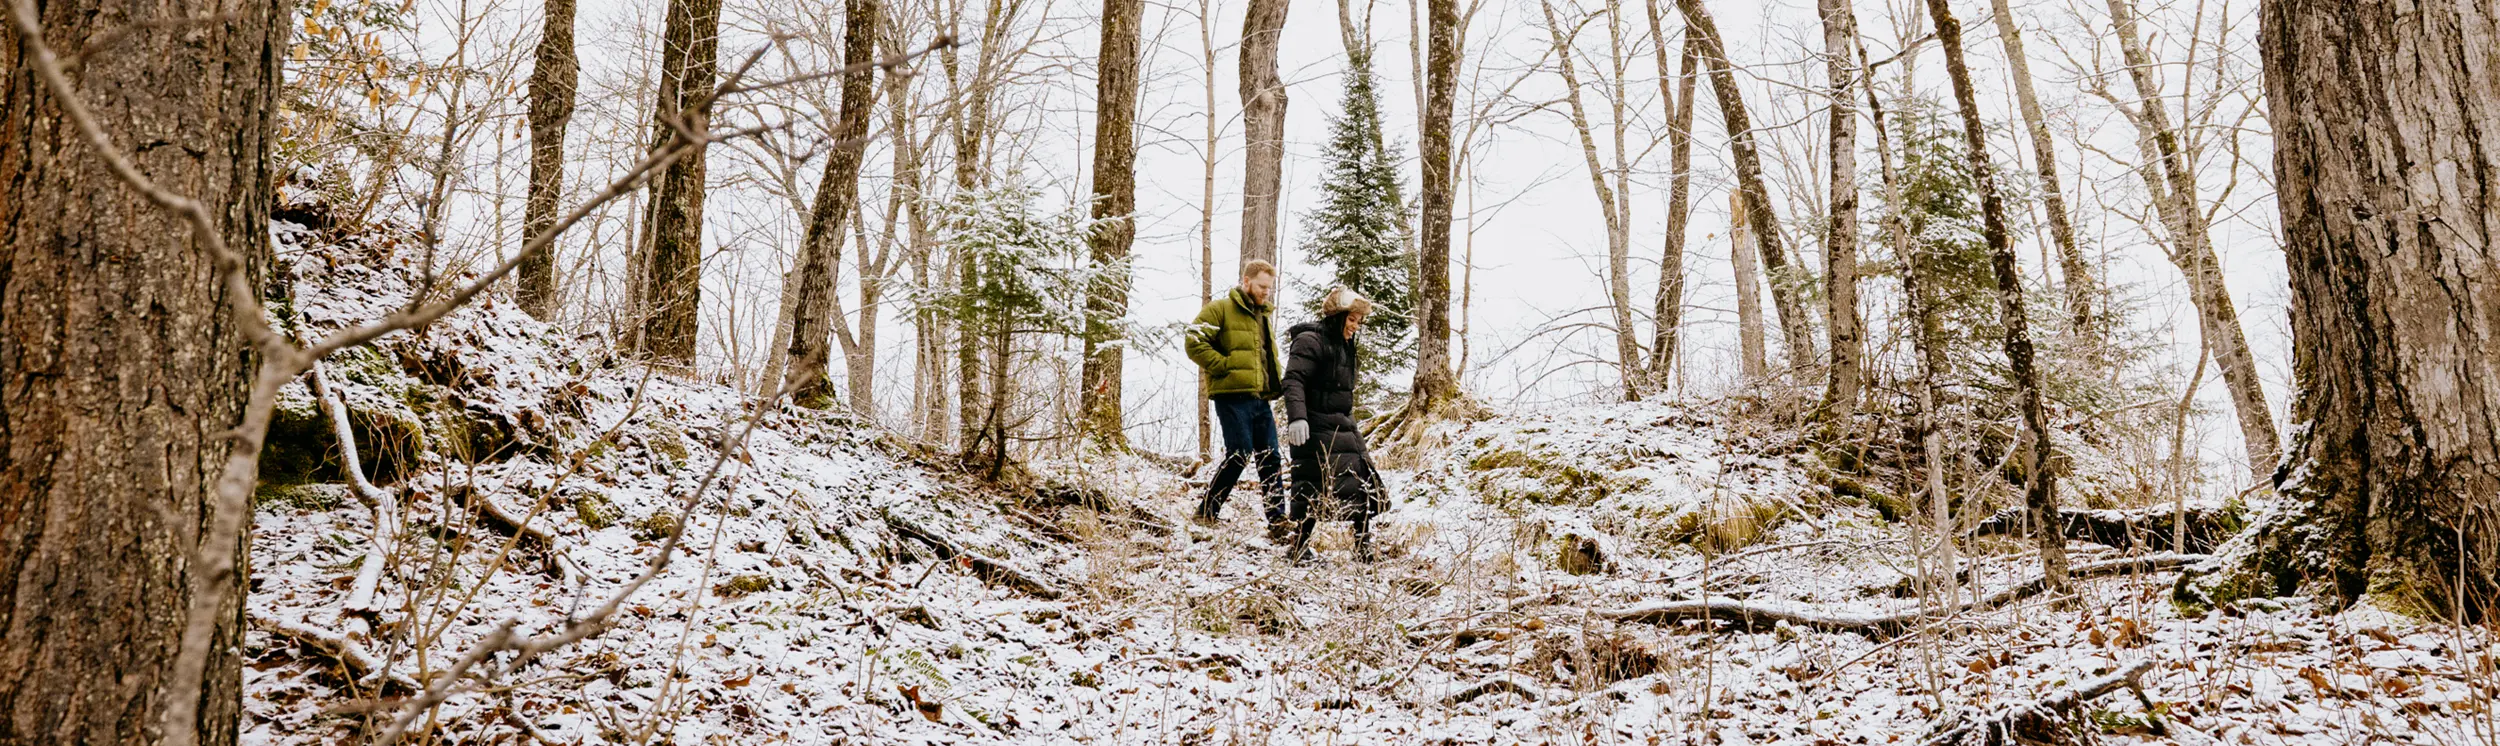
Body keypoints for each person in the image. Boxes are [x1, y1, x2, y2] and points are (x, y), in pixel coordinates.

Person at [1281, 287, 1391, 563]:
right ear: (1338, 316)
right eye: (1351, 319)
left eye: (1358, 321)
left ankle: (1363, 546)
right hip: (1315, 426)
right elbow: (1294, 380)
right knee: (1313, 487)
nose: (1355, 326)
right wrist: (1297, 417)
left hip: (1344, 425)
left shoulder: (1343, 345)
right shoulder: (1310, 341)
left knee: (1363, 482)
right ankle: (1298, 548)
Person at [1184, 260, 1289, 538]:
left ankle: (1278, 522)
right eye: (1262, 286)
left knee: (1270, 457)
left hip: (1260, 399)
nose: (1266, 292)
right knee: (1239, 453)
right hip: (1231, 396)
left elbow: (1266, 357)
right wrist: (1223, 365)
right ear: (1246, 281)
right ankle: (1206, 511)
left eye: (1269, 288)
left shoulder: (1263, 315)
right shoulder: (1220, 309)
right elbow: (1193, 341)